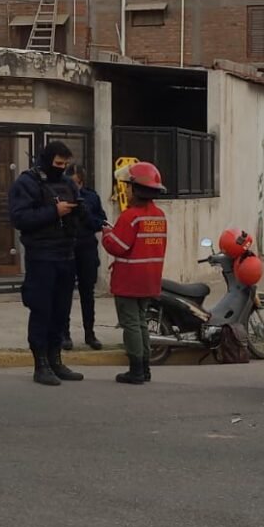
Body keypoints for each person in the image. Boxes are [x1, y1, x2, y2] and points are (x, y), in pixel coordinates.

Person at [8, 140, 87, 385]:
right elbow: (20, 218)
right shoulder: (26, 183)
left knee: (61, 312)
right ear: (46, 160)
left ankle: (56, 360)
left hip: (66, 254)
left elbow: (81, 214)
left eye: (65, 165)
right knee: (42, 310)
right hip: (41, 257)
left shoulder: (66, 183)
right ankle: (40, 364)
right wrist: (54, 212)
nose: (62, 169)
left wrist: (79, 211)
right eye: (58, 164)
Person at [103, 161, 168, 385]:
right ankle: (145, 368)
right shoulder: (159, 216)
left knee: (131, 323)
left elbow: (116, 246)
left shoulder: (130, 216)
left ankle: (136, 370)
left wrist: (106, 233)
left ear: (136, 189)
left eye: (128, 186)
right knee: (141, 321)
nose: (126, 190)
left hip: (129, 280)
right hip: (149, 280)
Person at [62, 164, 110, 351]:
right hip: (66, 249)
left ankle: (89, 333)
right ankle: (64, 334)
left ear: (82, 181)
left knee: (87, 294)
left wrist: (85, 213)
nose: (74, 187)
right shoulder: (60, 196)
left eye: (77, 183)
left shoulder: (91, 197)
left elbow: (101, 222)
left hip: (87, 249)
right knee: (64, 293)